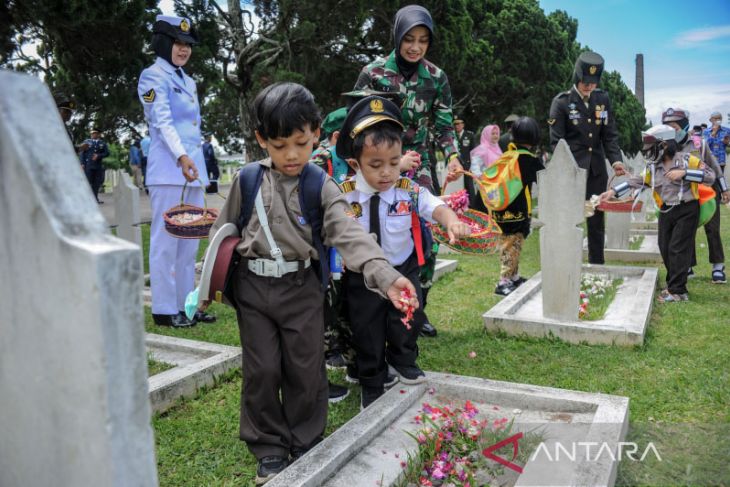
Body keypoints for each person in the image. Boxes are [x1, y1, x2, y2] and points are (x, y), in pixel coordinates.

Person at [207, 83, 418, 484]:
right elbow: (224, 233)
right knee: (262, 369)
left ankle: (305, 440)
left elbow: (349, 234)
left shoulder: (319, 185)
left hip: (301, 289)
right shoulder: (247, 180)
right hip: (253, 288)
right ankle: (269, 445)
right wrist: (204, 286)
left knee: (306, 369)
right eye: (279, 143)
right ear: (260, 140)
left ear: (317, 134)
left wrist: (387, 276)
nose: (291, 154)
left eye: (301, 143)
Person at [336, 96, 469, 408]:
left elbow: (435, 206)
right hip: (362, 276)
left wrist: (452, 221)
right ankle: (372, 378)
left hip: (402, 269)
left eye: (394, 163)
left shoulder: (406, 190)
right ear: (355, 164)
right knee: (365, 329)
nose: (386, 173)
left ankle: (404, 361)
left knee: (408, 318)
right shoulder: (343, 195)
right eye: (376, 165)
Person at [353, 5, 464, 338]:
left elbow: (444, 125)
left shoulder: (436, 77)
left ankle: (417, 308)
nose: (415, 47)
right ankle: (372, 305)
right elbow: (355, 123)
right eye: (409, 39)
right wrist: (387, 162)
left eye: (423, 41)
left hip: (419, 166)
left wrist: (454, 155)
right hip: (377, 166)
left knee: (426, 240)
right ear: (397, 37)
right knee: (377, 231)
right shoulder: (373, 73)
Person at [137, 15, 215, 327]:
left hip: (192, 171)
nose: (183, 50)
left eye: (187, 45)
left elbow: (193, 127)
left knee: (189, 242)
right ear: (163, 43)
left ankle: (188, 307)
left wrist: (194, 163)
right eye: (178, 44)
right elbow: (162, 121)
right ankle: (165, 309)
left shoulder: (188, 81)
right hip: (170, 170)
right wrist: (182, 156)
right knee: (166, 241)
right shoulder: (152, 76)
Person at [599, 124, 715, 302]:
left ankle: (678, 291)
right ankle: (673, 284)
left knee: (678, 248)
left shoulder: (687, 160)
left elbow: (710, 176)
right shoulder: (653, 167)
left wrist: (684, 173)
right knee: (665, 246)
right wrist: (613, 192)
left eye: (651, 148)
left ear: (664, 146)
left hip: (687, 209)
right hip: (666, 210)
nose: (647, 153)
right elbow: (637, 181)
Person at [549, 51, 626, 265]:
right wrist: (566, 170)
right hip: (571, 171)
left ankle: (596, 263)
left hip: (596, 171)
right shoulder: (562, 102)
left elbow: (609, 135)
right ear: (577, 76)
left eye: (593, 82)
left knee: (596, 218)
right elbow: (557, 142)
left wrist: (616, 160)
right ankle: (564, 262)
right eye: (585, 81)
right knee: (567, 218)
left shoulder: (602, 99)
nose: (589, 86)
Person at [491, 118, 545, 295]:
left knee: (512, 244)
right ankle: (503, 281)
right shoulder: (529, 159)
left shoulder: (507, 156)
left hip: (502, 209)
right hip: (519, 212)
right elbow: (546, 179)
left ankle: (514, 277)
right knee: (511, 245)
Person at [678, 109, 730, 283]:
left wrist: (724, 189)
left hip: (708, 188)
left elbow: (715, 167)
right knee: (688, 227)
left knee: (712, 227)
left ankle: (718, 266)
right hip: (688, 189)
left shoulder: (700, 143)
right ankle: (688, 265)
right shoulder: (670, 144)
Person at [79, 128, 110, 204]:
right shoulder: (86, 142)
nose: (93, 135)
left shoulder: (102, 143)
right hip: (88, 166)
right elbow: (82, 153)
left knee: (96, 183)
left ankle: (95, 198)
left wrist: (99, 156)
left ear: (98, 134)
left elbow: (107, 153)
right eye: (92, 133)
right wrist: (82, 163)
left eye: (95, 133)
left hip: (98, 166)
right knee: (88, 182)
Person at [454, 116, 477, 202]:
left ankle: (473, 205)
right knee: (458, 185)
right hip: (457, 164)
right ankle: (461, 203)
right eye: (455, 124)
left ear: (463, 125)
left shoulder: (469, 135)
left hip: (467, 163)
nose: (457, 126)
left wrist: (473, 165)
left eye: (458, 124)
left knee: (469, 185)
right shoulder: (452, 136)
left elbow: (473, 151)